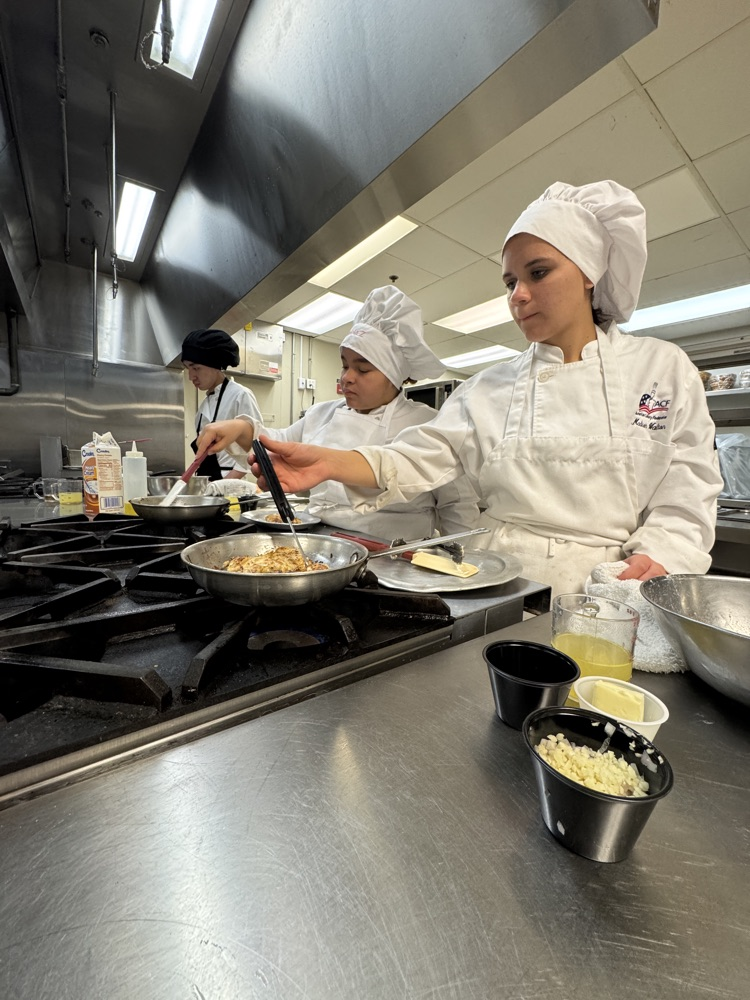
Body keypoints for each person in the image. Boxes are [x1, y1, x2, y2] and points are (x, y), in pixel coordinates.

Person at [232, 181, 724, 596]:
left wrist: (661, 554)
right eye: (510, 282)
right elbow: (413, 456)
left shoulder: (662, 368)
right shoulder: (487, 388)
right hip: (499, 582)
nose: (518, 296)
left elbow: (688, 493)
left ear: (590, 271)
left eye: (538, 272)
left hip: (610, 588)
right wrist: (326, 463)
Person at [197, 285, 480, 537]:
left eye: (363, 368)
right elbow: (279, 443)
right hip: (320, 544)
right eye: (345, 364)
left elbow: (457, 504)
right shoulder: (323, 414)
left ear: (395, 376)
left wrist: (464, 559)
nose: (347, 377)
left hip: (396, 555)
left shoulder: (425, 423)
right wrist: (243, 429)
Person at [181, 328, 263, 481]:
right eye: (188, 369)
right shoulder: (203, 407)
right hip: (207, 486)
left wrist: (224, 485)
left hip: (231, 488)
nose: (191, 376)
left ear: (215, 365)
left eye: (196, 368)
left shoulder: (240, 395)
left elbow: (255, 448)